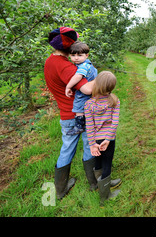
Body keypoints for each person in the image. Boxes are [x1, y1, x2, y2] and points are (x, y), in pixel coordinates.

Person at [44, 27, 97, 200]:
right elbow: (88, 89)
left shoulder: (50, 61)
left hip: (66, 115)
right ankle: (94, 183)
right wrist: (102, 77)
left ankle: (60, 189)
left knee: (67, 148)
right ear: (70, 47)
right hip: (79, 114)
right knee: (90, 145)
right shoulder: (66, 67)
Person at [85, 71, 121, 206]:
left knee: (98, 162)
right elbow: (114, 122)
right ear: (112, 87)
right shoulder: (114, 101)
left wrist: (93, 143)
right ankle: (105, 196)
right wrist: (108, 139)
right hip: (108, 140)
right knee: (107, 163)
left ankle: (100, 185)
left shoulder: (89, 104)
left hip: (96, 139)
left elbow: (89, 126)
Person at [65, 41, 98, 135]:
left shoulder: (83, 66)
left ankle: (79, 126)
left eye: (79, 55)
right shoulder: (89, 64)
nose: (76, 58)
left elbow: (78, 76)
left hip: (84, 93)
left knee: (78, 106)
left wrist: (68, 86)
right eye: (73, 55)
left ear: (86, 55)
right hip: (94, 90)